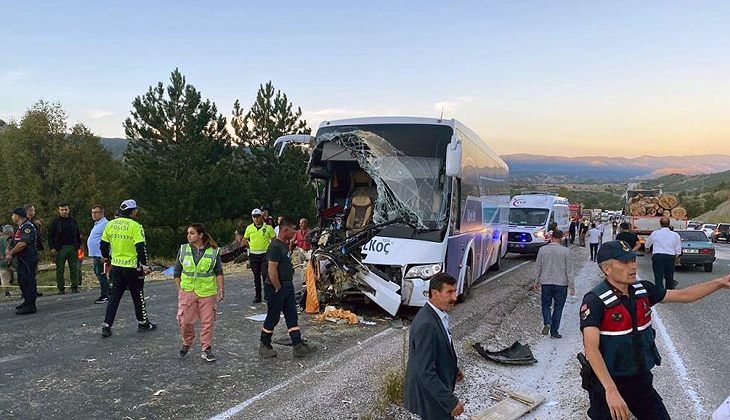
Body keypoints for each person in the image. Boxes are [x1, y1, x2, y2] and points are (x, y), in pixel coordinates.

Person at [579, 240, 730, 419]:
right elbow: (591, 348)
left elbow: (684, 295)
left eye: (633, 260)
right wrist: (610, 390)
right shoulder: (595, 301)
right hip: (607, 384)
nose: (632, 266)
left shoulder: (643, 290)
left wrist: (719, 283)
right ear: (607, 269)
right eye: (624, 262)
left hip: (640, 381)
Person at [404, 272, 465, 420]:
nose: (454, 298)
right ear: (434, 294)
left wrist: (453, 369)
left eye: (455, 291)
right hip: (429, 398)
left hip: (433, 394)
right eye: (449, 292)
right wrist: (450, 402)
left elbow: (439, 350)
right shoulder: (427, 324)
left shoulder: (437, 315)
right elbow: (425, 372)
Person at [99, 199, 156, 337]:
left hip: (117, 266)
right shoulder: (135, 226)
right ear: (133, 211)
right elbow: (140, 247)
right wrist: (144, 264)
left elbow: (103, 244)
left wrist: (107, 258)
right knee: (138, 295)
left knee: (114, 297)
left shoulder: (111, 224)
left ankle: (107, 325)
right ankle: (143, 322)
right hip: (132, 267)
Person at [259, 218, 314, 358]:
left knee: (291, 315)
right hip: (277, 287)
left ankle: (298, 344)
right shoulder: (275, 247)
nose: (294, 232)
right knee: (273, 316)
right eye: (292, 229)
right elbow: (272, 270)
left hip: (287, 286)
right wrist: (277, 287)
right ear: (285, 230)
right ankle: (264, 344)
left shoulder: (284, 246)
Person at [174, 223, 225, 362]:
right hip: (187, 291)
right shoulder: (184, 249)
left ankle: (206, 349)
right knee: (185, 321)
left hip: (207, 292)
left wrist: (221, 289)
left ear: (200, 235)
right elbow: (177, 271)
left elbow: (218, 272)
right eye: (188, 233)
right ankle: (187, 342)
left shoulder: (214, 251)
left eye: (192, 233)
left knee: (207, 322)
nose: (188, 236)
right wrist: (180, 289)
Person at [534, 230, 575, 339]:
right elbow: (569, 270)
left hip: (546, 282)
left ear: (551, 237)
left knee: (546, 304)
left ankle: (548, 321)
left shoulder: (542, 250)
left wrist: (536, 281)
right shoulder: (566, 251)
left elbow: (538, 267)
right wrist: (572, 286)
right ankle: (554, 331)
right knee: (558, 307)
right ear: (561, 238)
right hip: (561, 283)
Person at [6, 208, 39, 315]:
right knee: (22, 281)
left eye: (13, 215)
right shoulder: (20, 227)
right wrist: (9, 249)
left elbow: (23, 244)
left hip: (28, 258)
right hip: (21, 259)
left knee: (28, 281)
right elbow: (15, 242)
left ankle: (31, 305)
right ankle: (26, 301)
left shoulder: (27, 227)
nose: (12, 217)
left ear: (18, 216)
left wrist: (11, 253)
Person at [242, 208, 275, 304]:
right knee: (256, 276)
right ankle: (258, 296)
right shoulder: (249, 228)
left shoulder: (268, 228)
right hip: (253, 255)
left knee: (265, 274)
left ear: (262, 217)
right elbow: (244, 240)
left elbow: (273, 239)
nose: (256, 219)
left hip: (264, 254)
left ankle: (267, 294)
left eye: (258, 217)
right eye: (254, 217)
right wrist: (245, 244)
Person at [47, 203, 82, 294]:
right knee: (60, 270)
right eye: (62, 210)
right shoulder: (55, 222)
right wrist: (52, 247)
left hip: (72, 247)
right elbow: (50, 235)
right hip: (60, 248)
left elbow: (77, 233)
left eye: (65, 209)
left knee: (74, 269)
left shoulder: (73, 220)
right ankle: (61, 288)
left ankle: (75, 286)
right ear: (59, 211)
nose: (64, 211)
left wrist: (79, 245)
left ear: (68, 210)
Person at [645, 218, 681, 291]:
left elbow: (648, 243)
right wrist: (676, 257)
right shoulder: (675, 235)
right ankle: (669, 292)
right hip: (670, 257)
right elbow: (678, 249)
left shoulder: (655, 233)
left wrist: (647, 248)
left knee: (658, 276)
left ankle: (659, 292)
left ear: (660, 224)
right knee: (669, 276)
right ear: (669, 224)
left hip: (658, 257)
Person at [87, 205, 110, 304]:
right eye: (92, 213)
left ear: (102, 213)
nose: (93, 215)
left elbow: (108, 240)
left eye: (96, 213)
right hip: (96, 254)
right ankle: (108, 292)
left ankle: (105, 295)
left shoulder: (105, 224)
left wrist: (104, 255)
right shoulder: (97, 224)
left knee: (101, 274)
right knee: (99, 273)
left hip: (100, 254)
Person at [24, 204, 44, 296]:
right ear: (28, 211)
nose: (34, 212)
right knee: (29, 271)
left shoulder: (32, 222)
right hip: (28, 251)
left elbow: (38, 235)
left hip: (35, 249)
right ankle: (27, 292)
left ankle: (33, 290)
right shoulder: (26, 223)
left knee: (34, 271)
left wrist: (39, 226)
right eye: (33, 210)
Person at [0, 225, 15, 297]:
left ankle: (6, 292)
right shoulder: (8, 240)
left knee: (4, 277)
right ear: (9, 232)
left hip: (1, 262)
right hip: (8, 261)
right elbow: (8, 249)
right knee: (8, 275)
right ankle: (7, 292)